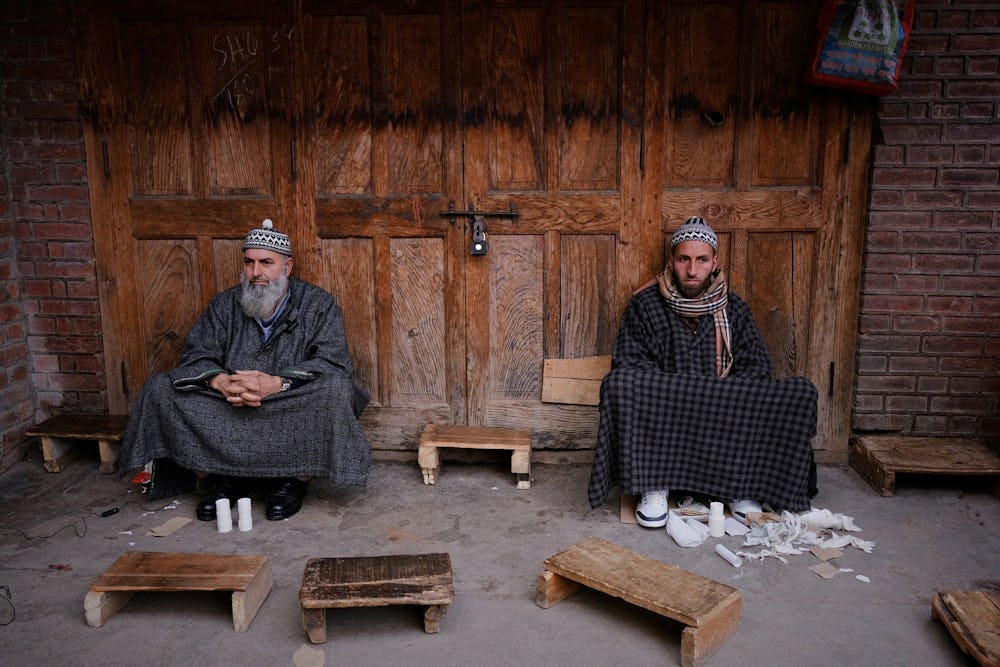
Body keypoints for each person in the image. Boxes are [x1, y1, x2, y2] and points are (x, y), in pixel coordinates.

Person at [121, 219, 372, 521]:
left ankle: (291, 479)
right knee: (160, 388)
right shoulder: (224, 305)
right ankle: (224, 478)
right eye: (249, 262)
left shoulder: (318, 304)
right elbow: (197, 355)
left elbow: (333, 362)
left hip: (286, 402)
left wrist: (277, 383)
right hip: (231, 403)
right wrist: (220, 381)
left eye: (267, 263)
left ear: (287, 267)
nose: (256, 273)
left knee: (335, 390)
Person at [587, 216, 818, 527]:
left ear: (715, 262)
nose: (692, 270)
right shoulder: (645, 305)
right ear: (672, 261)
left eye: (701, 260)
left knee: (800, 392)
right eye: (684, 259)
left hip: (722, 410)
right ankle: (654, 483)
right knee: (619, 384)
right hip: (667, 409)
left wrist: (719, 393)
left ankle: (739, 485)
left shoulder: (733, 308)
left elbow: (757, 363)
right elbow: (629, 362)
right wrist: (683, 391)